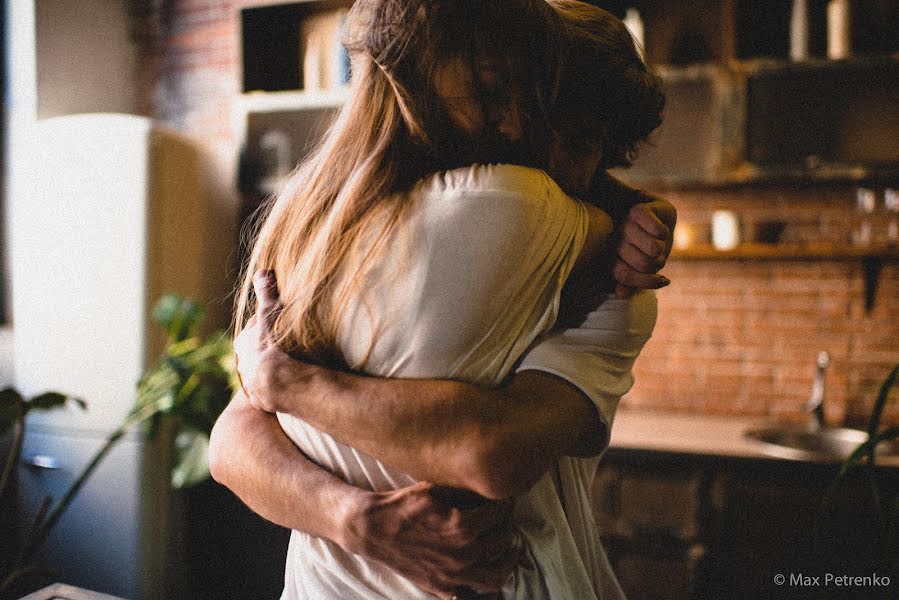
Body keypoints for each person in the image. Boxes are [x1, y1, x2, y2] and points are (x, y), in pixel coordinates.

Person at [210, 1, 672, 598]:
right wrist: (358, 519)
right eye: (520, 113)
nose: (526, 141)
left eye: (581, 142)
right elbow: (230, 443)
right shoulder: (509, 210)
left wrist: (288, 387)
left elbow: (490, 451)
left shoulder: (319, 227)